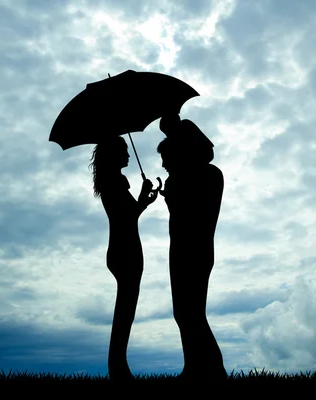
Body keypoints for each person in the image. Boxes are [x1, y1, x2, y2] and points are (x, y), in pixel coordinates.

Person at [157, 114, 227, 383]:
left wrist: (172, 196)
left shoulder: (189, 179)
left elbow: (187, 214)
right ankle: (195, 368)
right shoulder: (209, 175)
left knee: (189, 312)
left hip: (188, 250)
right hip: (196, 249)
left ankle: (212, 370)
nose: (163, 165)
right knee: (188, 311)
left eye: (166, 158)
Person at [88, 136, 159, 382]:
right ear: (114, 155)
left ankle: (118, 366)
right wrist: (142, 196)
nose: (129, 156)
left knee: (125, 310)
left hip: (119, 248)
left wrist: (144, 200)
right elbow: (128, 215)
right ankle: (118, 368)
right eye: (124, 151)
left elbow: (130, 213)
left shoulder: (109, 181)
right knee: (125, 312)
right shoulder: (116, 181)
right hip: (126, 248)